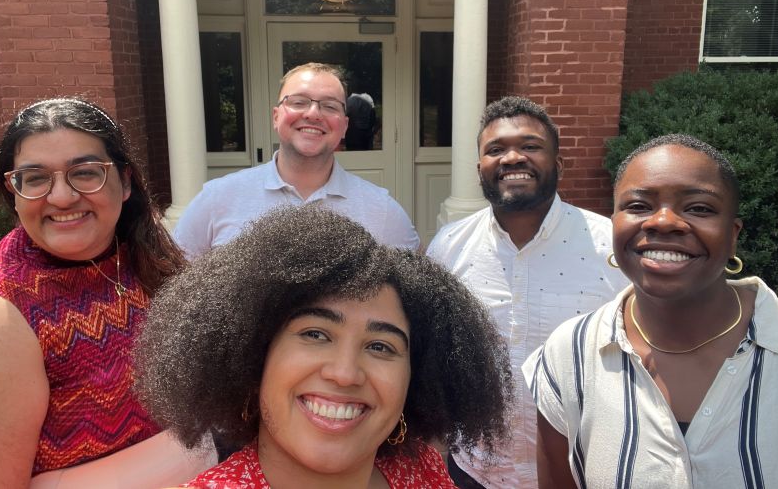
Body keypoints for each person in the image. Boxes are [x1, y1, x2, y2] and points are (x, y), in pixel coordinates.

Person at [524, 134, 778, 488]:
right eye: (639, 206)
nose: (664, 221)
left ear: (732, 235)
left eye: (699, 208)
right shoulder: (569, 354)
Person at [136, 205, 513, 489]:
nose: (345, 372)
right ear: (253, 358)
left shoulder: (423, 474)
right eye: (315, 334)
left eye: (381, 346)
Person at [0, 98, 215, 487]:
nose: (62, 197)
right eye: (35, 178)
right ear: (13, 193)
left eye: (85, 173)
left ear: (126, 182)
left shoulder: (140, 251)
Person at [426, 96, 625, 488]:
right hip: (473, 471)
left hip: (581, 474)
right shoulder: (450, 247)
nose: (512, 158)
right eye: (495, 149)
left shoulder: (611, 250)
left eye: (530, 146)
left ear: (559, 164)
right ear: (479, 168)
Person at [175, 63, 418, 259]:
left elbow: (412, 299)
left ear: (344, 126)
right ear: (276, 116)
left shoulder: (383, 212)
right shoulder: (218, 200)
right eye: (299, 102)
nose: (313, 114)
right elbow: (174, 284)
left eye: (330, 106)